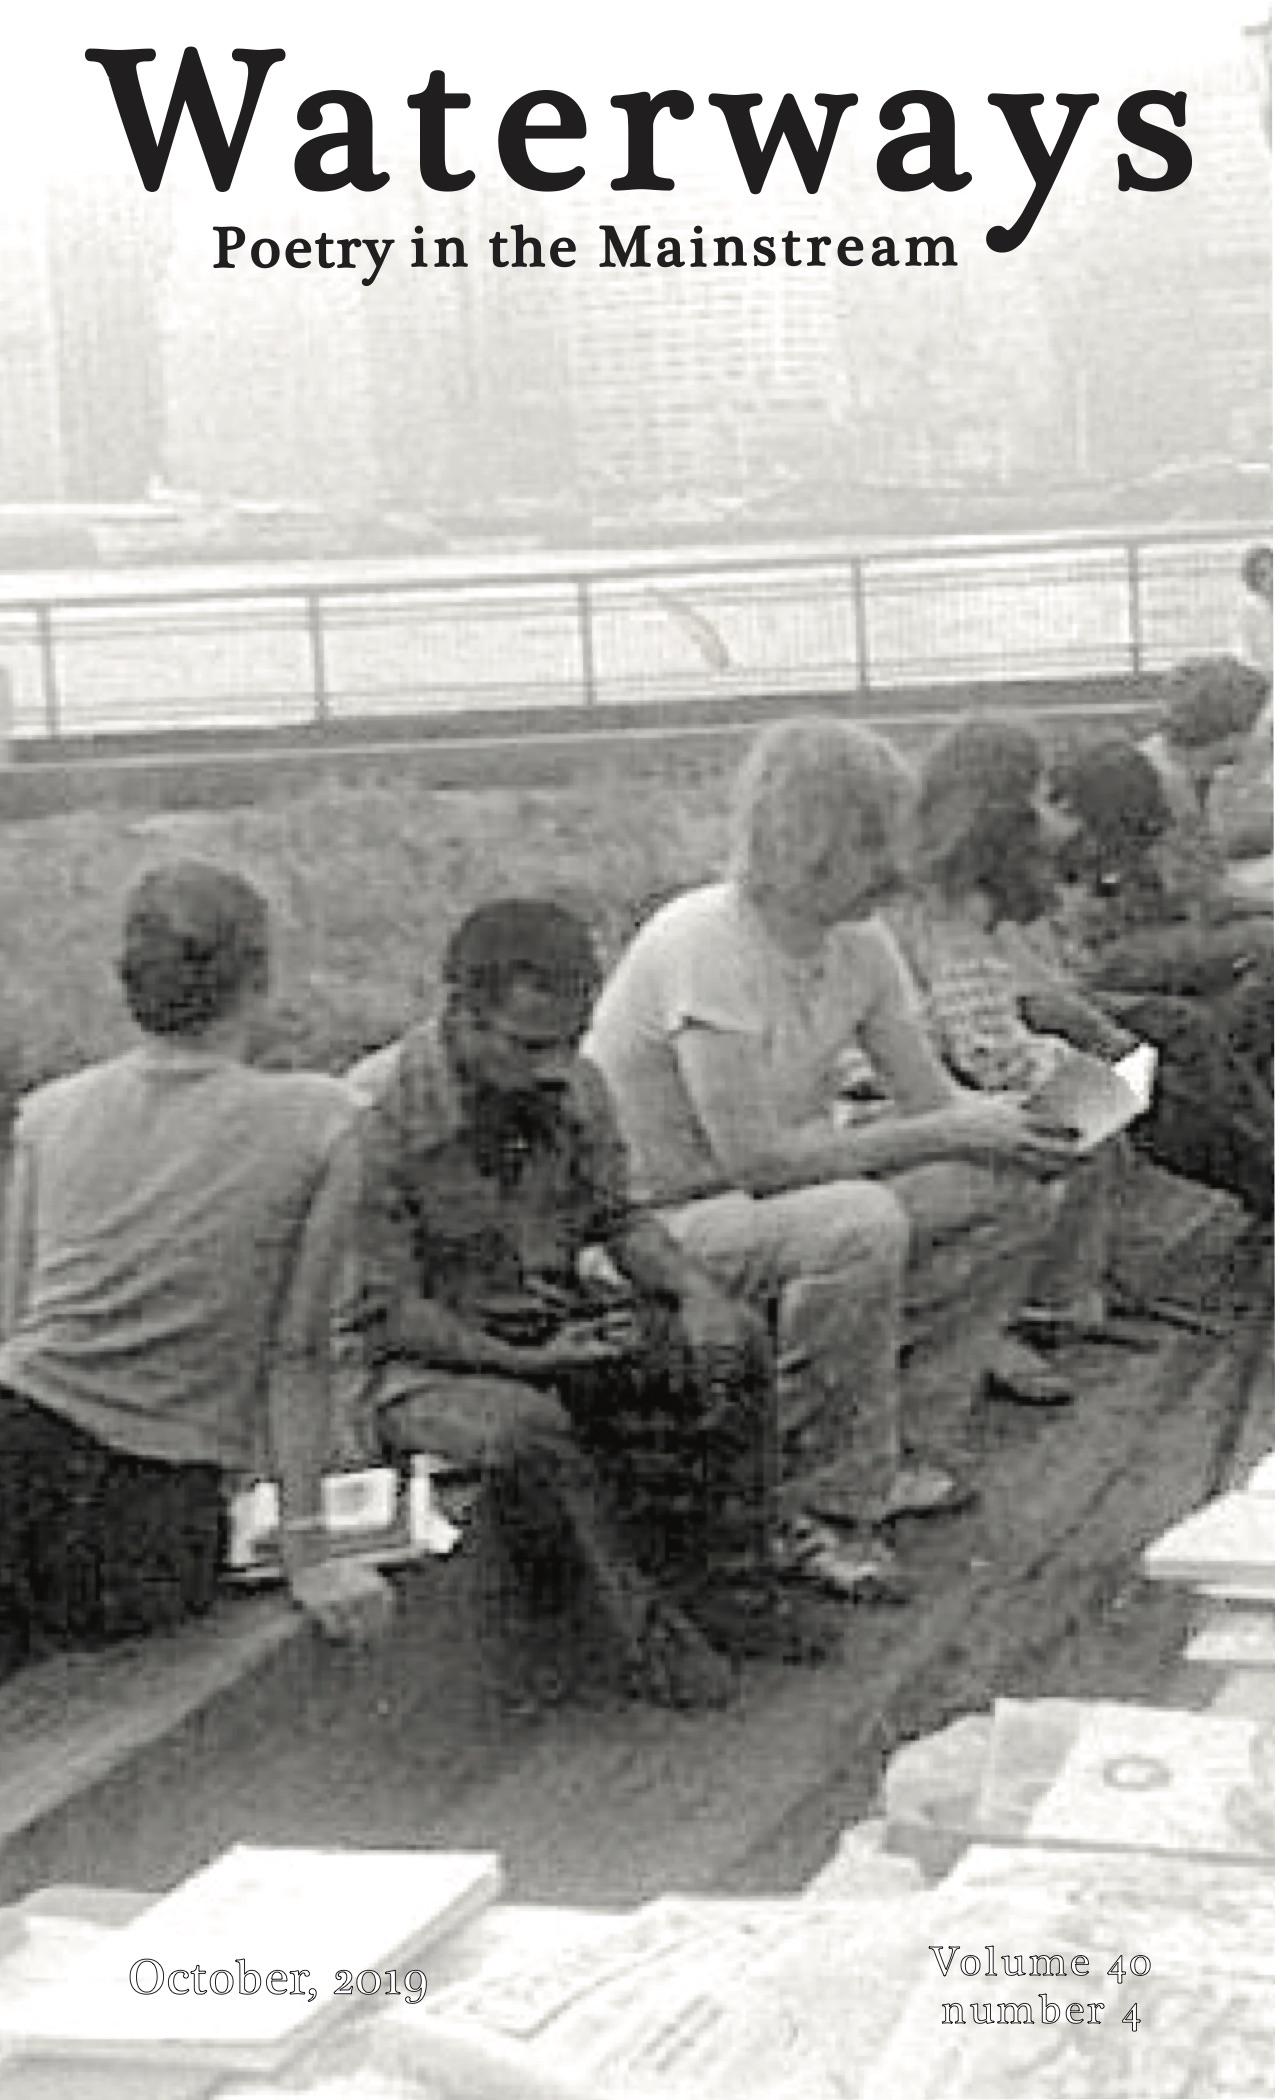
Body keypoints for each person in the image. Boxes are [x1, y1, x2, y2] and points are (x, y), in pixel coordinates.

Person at [586, 717, 1080, 1599]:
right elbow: (755, 1162)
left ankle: (901, 1440)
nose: (889, 871)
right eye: (866, 846)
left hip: (775, 1196)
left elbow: (932, 1100)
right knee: (858, 1221)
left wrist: (1031, 1120)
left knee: (1010, 1185)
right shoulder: (705, 942)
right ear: (803, 840)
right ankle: (814, 1492)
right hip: (657, 1218)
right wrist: (945, 1132)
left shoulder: (860, 943)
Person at [341, 898, 840, 1712]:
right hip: (417, 1362)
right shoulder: (376, 1118)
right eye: (529, 1045)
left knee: (730, 1344)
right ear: (462, 1015)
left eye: (568, 1042)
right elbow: (388, 1308)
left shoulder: (575, 1086)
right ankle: (638, 1638)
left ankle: (734, 1592)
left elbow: (620, 1218)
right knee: (525, 1431)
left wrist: (694, 1295)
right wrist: (527, 1362)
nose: (552, 1066)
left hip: (544, 1317)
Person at [0, 861, 394, 1684]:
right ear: (260, 979)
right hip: (144, 1508)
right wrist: (310, 1555)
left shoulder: (50, 1112)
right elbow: (298, 1356)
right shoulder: (323, 1122)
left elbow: (17, 1316)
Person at [888, 717, 1123, 1361]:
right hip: (919, 1087)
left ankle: (1053, 1296)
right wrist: (1068, 1063)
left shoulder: (928, 881)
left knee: (1098, 1098)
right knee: (1093, 1109)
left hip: (925, 1073)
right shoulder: (952, 902)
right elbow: (984, 1049)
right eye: (1042, 796)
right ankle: (1034, 1308)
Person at [1046, 736, 1272, 1221]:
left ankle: (1257, 1163)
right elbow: (1204, 896)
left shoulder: (1083, 836)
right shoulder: (1051, 854)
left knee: (1191, 1026)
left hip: (1085, 970)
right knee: (1185, 1027)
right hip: (1093, 968)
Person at [1236, 544, 1273, 686]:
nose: (1272, 578)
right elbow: (1245, 653)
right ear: (1253, 579)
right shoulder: (1247, 609)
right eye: (1263, 574)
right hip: (1262, 681)